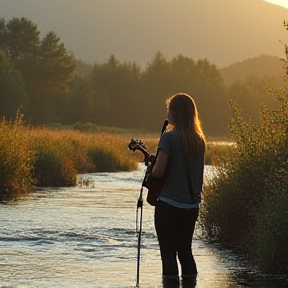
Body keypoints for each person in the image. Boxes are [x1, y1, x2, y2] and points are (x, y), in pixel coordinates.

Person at [150, 93, 206, 288]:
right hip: (191, 207)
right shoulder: (199, 140)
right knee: (185, 251)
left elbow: (157, 173)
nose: (167, 113)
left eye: (169, 109)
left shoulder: (169, 138)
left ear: (175, 113)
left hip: (169, 206)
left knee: (168, 254)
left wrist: (151, 166)